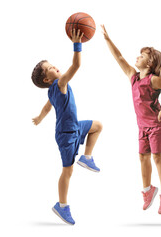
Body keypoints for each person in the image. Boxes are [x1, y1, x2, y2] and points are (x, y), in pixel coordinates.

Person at [101, 25, 161, 214]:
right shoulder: (133, 77)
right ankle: (147, 190)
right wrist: (107, 39)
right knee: (142, 157)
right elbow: (119, 57)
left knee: (157, 157)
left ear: (150, 64)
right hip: (142, 127)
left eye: (141, 56)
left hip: (157, 126)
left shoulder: (153, 80)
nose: (137, 57)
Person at [31, 29, 103, 225]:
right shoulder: (60, 83)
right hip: (66, 135)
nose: (55, 67)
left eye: (53, 65)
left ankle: (87, 157)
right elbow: (77, 64)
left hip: (74, 127)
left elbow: (47, 108)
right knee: (67, 172)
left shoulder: (52, 92)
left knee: (97, 126)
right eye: (50, 68)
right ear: (48, 80)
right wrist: (77, 44)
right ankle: (61, 206)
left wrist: (39, 118)